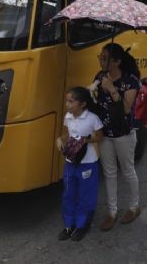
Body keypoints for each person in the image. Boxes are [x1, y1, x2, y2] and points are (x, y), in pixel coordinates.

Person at [90, 43, 142, 231]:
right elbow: (95, 104)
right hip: (105, 133)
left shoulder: (131, 81)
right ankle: (112, 212)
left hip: (123, 133)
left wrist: (112, 89)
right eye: (100, 57)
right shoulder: (100, 76)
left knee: (128, 171)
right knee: (109, 173)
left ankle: (134, 207)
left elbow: (126, 110)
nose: (101, 61)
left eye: (105, 58)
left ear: (117, 61)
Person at [56, 87, 104, 241]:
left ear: (82, 104)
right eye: (67, 101)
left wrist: (83, 140)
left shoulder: (92, 119)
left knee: (85, 195)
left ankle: (82, 224)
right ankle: (69, 224)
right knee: (69, 193)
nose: (68, 104)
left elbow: (99, 137)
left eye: (71, 101)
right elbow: (65, 134)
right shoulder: (68, 117)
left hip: (87, 162)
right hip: (71, 161)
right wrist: (60, 139)